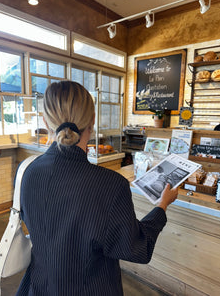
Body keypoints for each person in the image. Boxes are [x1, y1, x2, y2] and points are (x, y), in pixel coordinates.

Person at [16, 81, 178, 296]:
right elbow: (137, 248)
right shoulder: (110, 184)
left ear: (45, 121)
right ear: (92, 121)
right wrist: (161, 206)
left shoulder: (28, 171)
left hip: (38, 287)